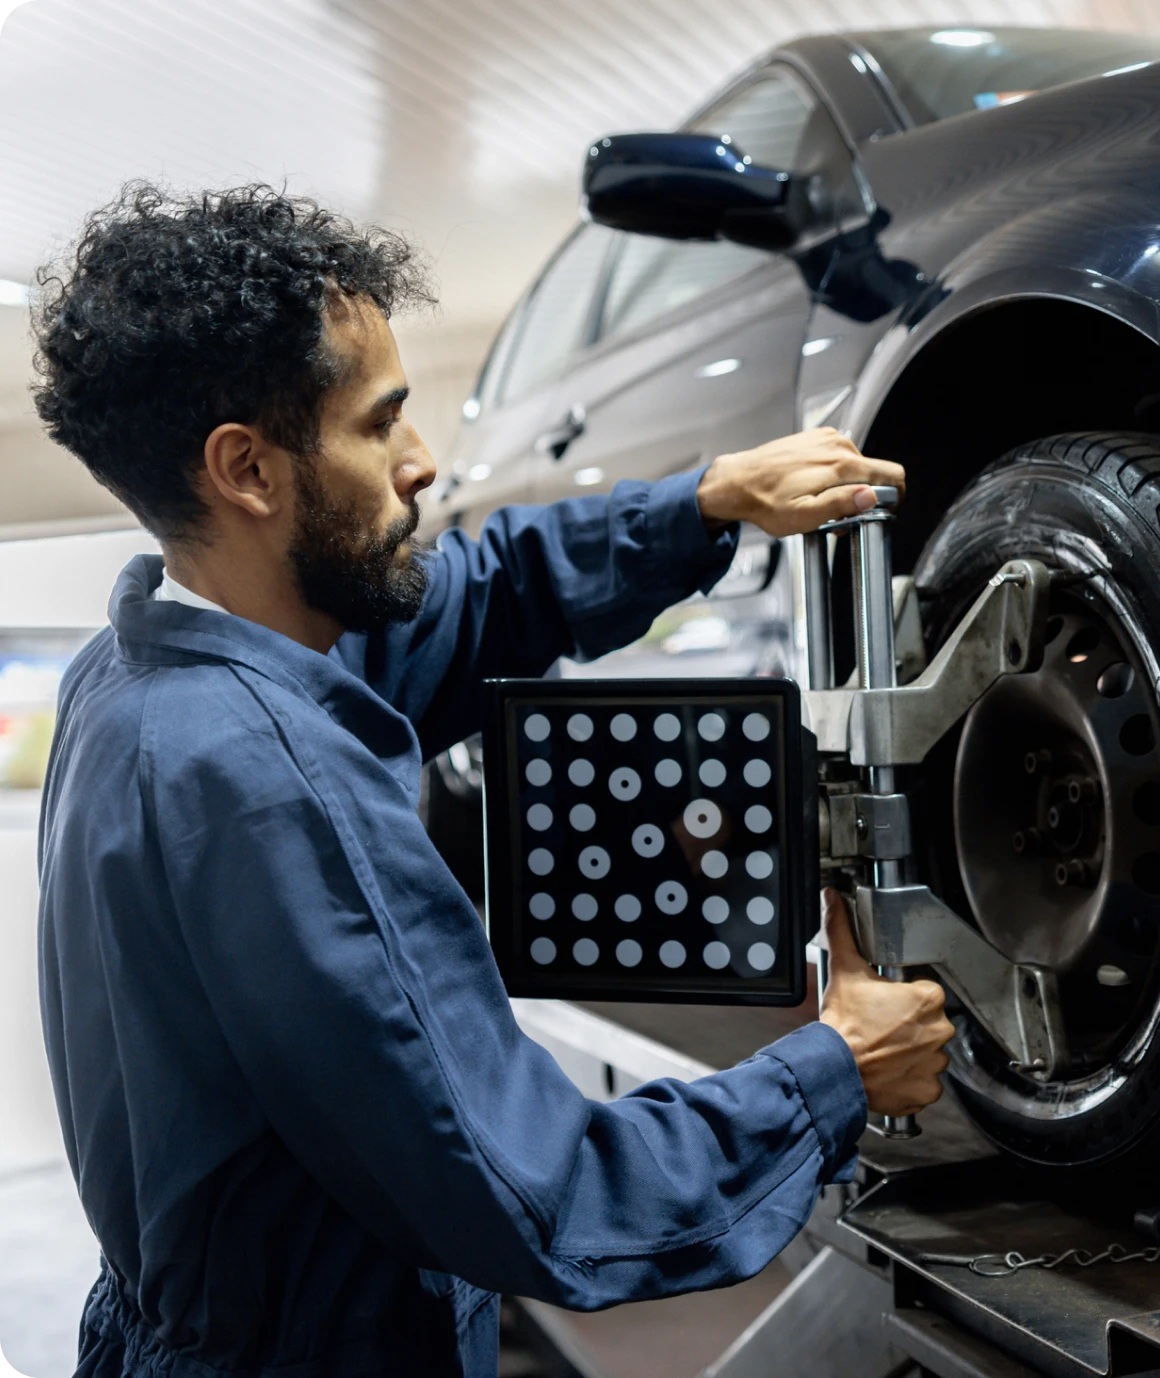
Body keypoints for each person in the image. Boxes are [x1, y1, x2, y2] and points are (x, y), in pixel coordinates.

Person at [32, 185, 954, 1378]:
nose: (425, 463)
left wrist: (703, 502)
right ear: (247, 469)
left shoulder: (143, 668)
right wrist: (834, 1070)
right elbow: (548, 1195)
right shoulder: (272, 788)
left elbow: (468, 594)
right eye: (381, 424)